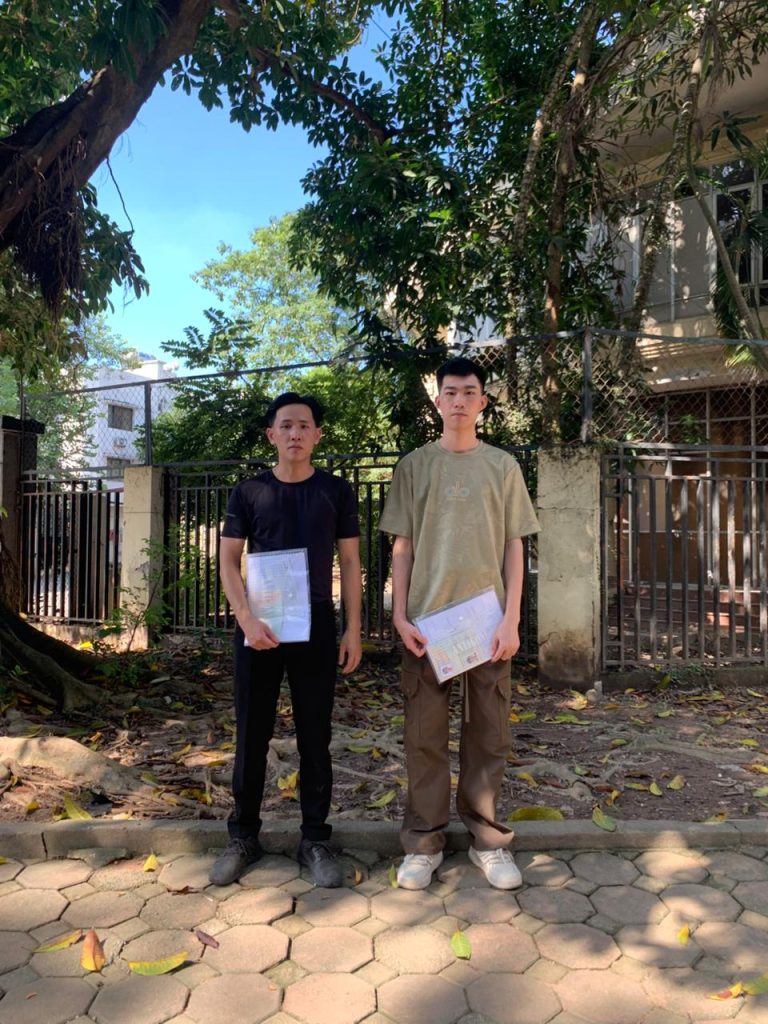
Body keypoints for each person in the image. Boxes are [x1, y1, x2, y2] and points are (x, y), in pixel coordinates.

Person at [379, 356, 539, 891]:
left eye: (469, 392)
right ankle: (423, 843)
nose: (459, 401)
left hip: (488, 625)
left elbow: (514, 546)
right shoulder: (414, 466)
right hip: (428, 625)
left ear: (483, 402)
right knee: (424, 738)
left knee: (488, 735)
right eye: (450, 392)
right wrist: (399, 614)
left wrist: (512, 618)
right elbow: (402, 546)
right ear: (438, 401)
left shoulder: (503, 466)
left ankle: (488, 841)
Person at [209, 392, 362, 888]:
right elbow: (227, 560)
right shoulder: (248, 492)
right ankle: (243, 836)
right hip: (259, 626)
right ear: (271, 434)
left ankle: (315, 838)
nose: (295, 433)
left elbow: (351, 563)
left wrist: (353, 628)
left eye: (304, 426)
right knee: (251, 732)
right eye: (286, 425)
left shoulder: (336, 491)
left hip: (315, 625)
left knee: (315, 734)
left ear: (317, 435)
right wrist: (246, 618)